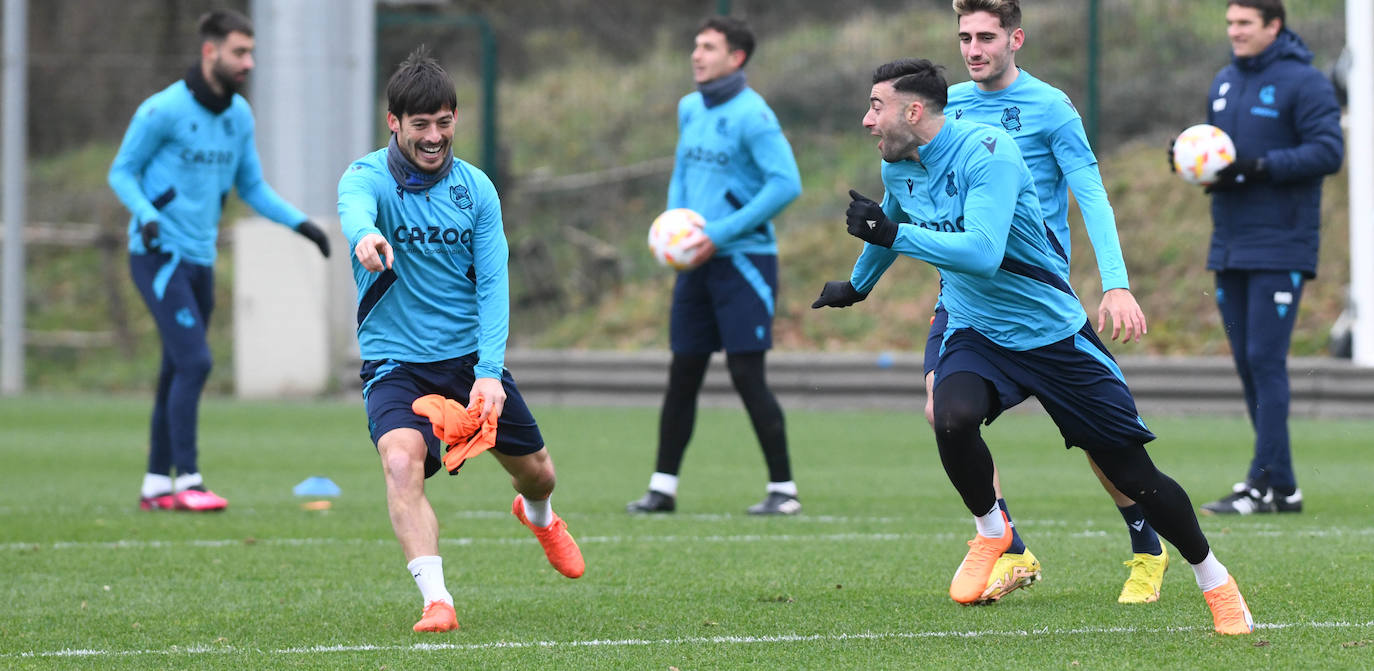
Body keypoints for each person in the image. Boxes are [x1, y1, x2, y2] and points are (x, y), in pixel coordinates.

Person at [813, 57, 1254, 634]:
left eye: (876, 106)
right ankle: (993, 532)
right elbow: (891, 220)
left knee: (1135, 474)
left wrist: (891, 234)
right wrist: (857, 286)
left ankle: (1214, 578)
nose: (867, 120)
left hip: (1052, 336)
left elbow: (982, 252)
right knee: (950, 415)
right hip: (978, 329)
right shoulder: (899, 164)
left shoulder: (987, 153)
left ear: (912, 111)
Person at [338, 48, 584, 633]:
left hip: (470, 362)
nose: (432, 137)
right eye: (419, 125)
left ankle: (538, 515)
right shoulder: (365, 177)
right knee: (401, 462)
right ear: (393, 122)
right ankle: (437, 600)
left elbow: (494, 284)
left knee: (539, 473)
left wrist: (490, 372)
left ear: (456, 119)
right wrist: (366, 237)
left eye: (443, 123)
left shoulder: (476, 191)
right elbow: (355, 211)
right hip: (394, 363)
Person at [933, 0, 1165, 605]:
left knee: (1097, 437)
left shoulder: (1050, 107)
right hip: (966, 296)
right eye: (965, 37)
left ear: (1017, 39)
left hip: (1040, 302)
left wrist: (1114, 282)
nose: (974, 48)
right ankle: (1008, 547)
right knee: (944, 412)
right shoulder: (947, 105)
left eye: (987, 36)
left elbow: (1090, 192)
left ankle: (1147, 544)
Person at [108, 9, 331, 513]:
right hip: (158, 256)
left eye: (251, 52)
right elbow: (122, 172)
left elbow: (250, 186)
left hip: (200, 261)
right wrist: (144, 214)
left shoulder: (237, 117)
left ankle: (153, 484)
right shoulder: (162, 110)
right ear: (210, 52)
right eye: (239, 52)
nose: (248, 62)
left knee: (176, 368)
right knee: (196, 361)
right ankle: (187, 477)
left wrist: (302, 225)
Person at [626, 16, 804, 516]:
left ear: (736, 57)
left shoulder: (754, 116)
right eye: (695, 46)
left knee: (748, 374)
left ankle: (783, 490)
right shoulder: (689, 108)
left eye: (708, 47)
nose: (696, 55)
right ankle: (662, 488)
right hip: (695, 264)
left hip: (744, 262)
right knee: (683, 372)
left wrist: (718, 234)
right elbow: (683, 170)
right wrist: (673, 231)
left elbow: (785, 184)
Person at [1178, 0, 1343, 516]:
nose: (1235, 32)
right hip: (1230, 242)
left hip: (1281, 243)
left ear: (1274, 26)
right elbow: (1218, 154)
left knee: (1266, 362)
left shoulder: (1306, 82)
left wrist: (1255, 167)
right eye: (1230, 23)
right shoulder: (1225, 80)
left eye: (1245, 23)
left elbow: (1327, 151)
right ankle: (1285, 487)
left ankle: (1261, 484)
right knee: (1249, 366)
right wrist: (1188, 160)